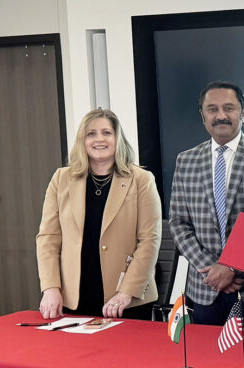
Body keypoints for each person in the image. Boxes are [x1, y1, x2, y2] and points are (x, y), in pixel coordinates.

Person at [169, 81, 244, 329]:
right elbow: (179, 223)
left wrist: (233, 267)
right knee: (209, 364)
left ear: (243, 113)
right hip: (205, 289)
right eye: (212, 109)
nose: (221, 115)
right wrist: (210, 270)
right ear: (202, 116)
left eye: (229, 108)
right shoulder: (186, 160)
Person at [36, 109, 162, 320]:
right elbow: (48, 238)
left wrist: (125, 293)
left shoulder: (141, 179)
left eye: (107, 132)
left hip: (125, 300)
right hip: (73, 296)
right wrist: (50, 288)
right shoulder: (61, 179)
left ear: (117, 138)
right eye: (91, 134)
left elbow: (149, 240)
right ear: (82, 140)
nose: (99, 139)